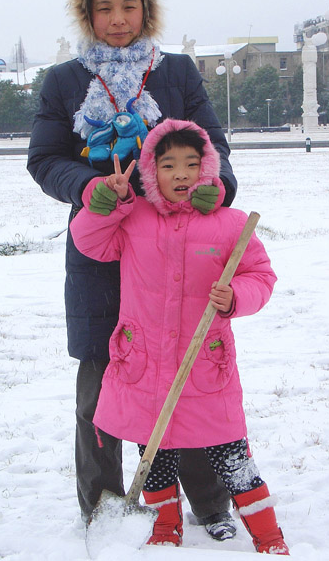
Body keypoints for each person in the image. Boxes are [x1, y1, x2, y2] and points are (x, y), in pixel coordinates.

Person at [26, 0, 239, 539]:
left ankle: (209, 502)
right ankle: (102, 503)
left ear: (146, 10)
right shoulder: (65, 81)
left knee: (185, 370)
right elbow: (44, 160)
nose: (118, 18)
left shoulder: (176, 73)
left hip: (175, 253)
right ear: (86, 16)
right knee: (98, 379)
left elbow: (215, 152)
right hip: (99, 252)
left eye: (128, 6)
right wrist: (91, 188)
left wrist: (212, 188)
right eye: (104, 9)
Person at [69, 119, 289, 554]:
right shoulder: (134, 218)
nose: (182, 174)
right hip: (144, 364)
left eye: (193, 163)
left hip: (205, 366)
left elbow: (260, 276)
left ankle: (270, 537)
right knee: (155, 455)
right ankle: (166, 527)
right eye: (169, 165)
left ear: (208, 169)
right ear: (151, 172)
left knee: (233, 456)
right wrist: (109, 202)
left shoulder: (230, 224)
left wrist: (235, 296)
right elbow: (89, 243)